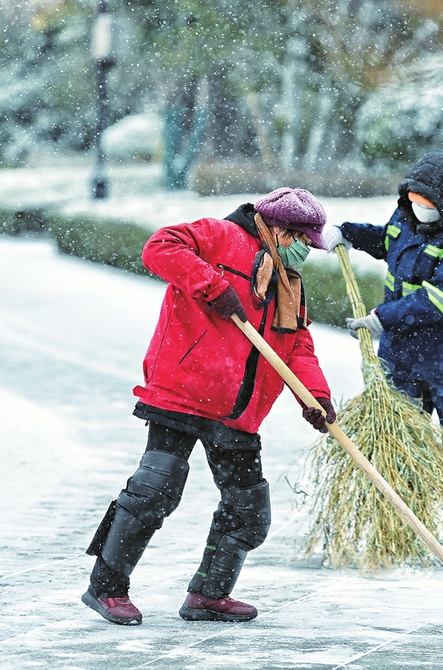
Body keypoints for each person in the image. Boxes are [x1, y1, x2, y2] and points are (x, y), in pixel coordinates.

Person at [82, 187, 337, 626]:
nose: (304, 252)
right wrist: (212, 285)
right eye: (300, 240)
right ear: (278, 228)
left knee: (249, 511)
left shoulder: (289, 283)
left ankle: (208, 595)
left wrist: (315, 396)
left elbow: (297, 347)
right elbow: (159, 246)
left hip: (240, 411)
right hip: (183, 392)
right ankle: (105, 589)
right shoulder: (218, 236)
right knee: (155, 491)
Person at [323, 150, 443, 558]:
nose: (419, 210)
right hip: (403, 355)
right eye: (414, 200)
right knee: (402, 443)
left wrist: (382, 317)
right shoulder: (406, 218)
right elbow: (386, 241)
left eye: (428, 204)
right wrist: (347, 233)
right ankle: (404, 526)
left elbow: (440, 300)